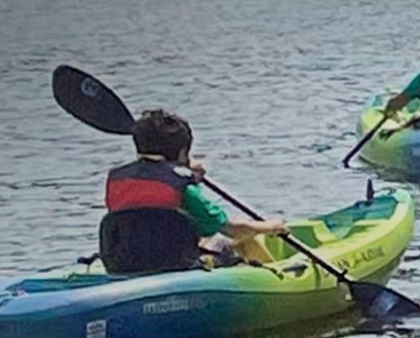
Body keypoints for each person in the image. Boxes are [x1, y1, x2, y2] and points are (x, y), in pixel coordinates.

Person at [105, 110, 286, 267]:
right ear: (183, 152)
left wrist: (188, 174)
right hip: (175, 265)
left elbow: (149, 205)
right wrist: (269, 227)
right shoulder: (182, 187)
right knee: (246, 238)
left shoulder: (117, 181)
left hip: (124, 265)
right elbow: (231, 229)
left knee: (205, 239)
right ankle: (281, 280)